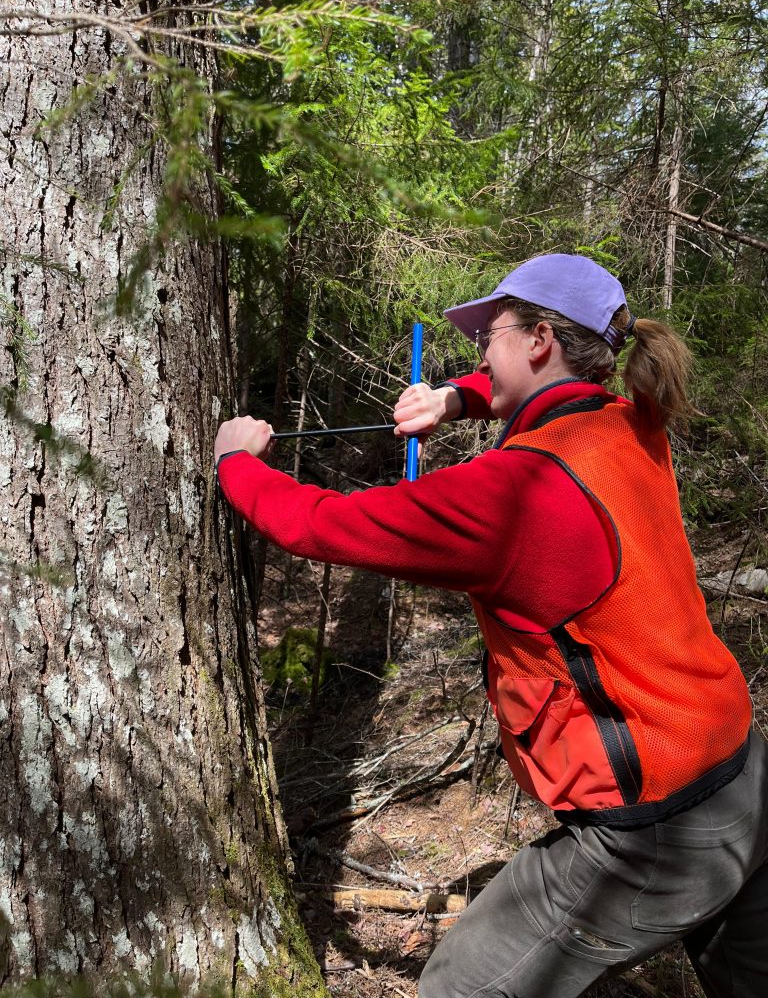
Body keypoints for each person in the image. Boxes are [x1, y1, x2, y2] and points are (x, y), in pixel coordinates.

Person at [214, 254, 768, 998]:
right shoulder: (631, 418)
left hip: (655, 826)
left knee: (462, 986)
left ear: (540, 338)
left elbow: (324, 524)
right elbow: (545, 392)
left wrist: (238, 465)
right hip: (742, 772)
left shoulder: (513, 493)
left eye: (490, 334)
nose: (480, 352)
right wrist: (457, 400)